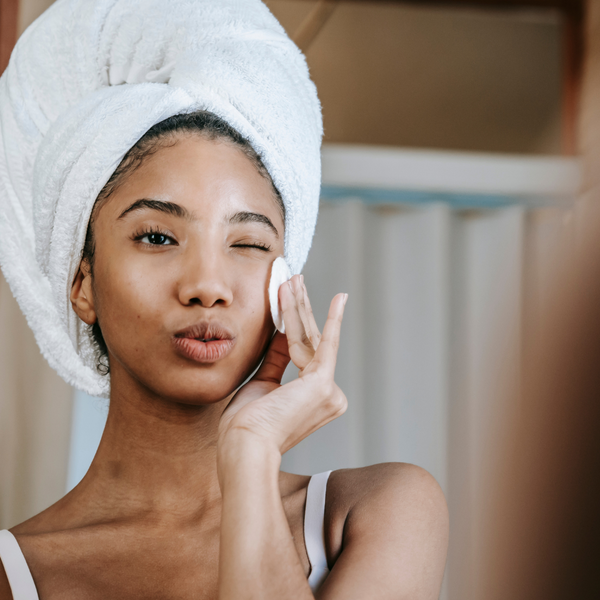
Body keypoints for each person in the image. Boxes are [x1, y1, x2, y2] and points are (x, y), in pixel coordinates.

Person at [0, 1, 448, 599]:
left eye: (247, 242)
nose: (208, 284)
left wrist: (251, 456)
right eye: (157, 237)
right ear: (82, 284)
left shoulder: (378, 513)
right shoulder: (15, 573)